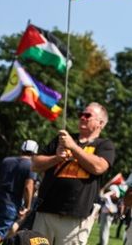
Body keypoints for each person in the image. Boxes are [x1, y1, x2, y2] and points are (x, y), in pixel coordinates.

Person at [31, 103, 115, 245]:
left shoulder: (104, 145)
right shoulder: (61, 140)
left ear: (100, 123)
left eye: (87, 115)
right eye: (80, 114)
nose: (82, 117)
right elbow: (35, 165)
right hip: (46, 210)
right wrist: (56, 157)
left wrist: (73, 147)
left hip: (75, 217)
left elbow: (99, 167)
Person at [0, 140, 39, 245]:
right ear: (35, 153)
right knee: (0, 233)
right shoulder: (31, 166)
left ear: (21, 149)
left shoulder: (7, 161)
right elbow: (28, 187)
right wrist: (27, 206)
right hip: (12, 203)